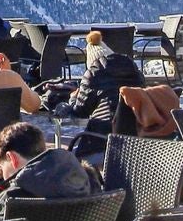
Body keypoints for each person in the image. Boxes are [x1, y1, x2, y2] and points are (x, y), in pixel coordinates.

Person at [0, 121, 99, 221]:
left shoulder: (10, 200)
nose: (4, 178)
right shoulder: (89, 182)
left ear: (12, 158)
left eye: (2, 169)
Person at [62, 29, 145, 160]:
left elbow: (80, 112)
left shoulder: (94, 73)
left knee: (68, 159)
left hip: (101, 141)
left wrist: (72, 99)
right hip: (137, 142)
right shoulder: (135, 72)